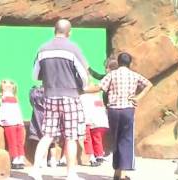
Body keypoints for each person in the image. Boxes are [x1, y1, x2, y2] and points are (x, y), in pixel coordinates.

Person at [30, 19, 89, 180]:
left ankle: (36, 170)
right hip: (70, 96)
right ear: (69, 32)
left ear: (53, 30)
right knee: (71, 136)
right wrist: (82, 87)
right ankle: (70, 174)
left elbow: (35, 76)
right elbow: (84, 74)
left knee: (47, 134)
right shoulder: (73, 48)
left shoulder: (43, 49)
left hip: (49, 96)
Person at [85, 52, 153, 180]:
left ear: (119, 62)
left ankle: (117, 171)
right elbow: (149, 84)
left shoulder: (112, 74)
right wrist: (139, 97)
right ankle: (122, 174)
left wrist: (82, 90)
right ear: (129, 63)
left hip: (113, 111)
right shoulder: (134, 75)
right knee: (126, 140)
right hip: (128, 110)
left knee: (116, 139)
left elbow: (99, 87)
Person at [0, 79, 25, 170]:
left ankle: (16, 159)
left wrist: (0, 121)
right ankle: (20, 158)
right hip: (17, 122)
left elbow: (2, 110)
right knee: (19, 141)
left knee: (12, 141)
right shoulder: (14, 98)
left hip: (9, 123)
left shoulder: (3, 98)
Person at [28, 86, 57, 167]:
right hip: (52, 123)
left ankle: (44, 160)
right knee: (52, 144)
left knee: (44, 142)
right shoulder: (51, 99)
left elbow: (31, 99)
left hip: (41, 124)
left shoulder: (36, 103)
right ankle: (53, 160)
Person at [80, 88, 109, 167]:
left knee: (87, 139)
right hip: (101, 121)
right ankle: (99, 155)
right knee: (97, 139)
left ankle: (91, 157)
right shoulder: (97, 96)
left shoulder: (82, 97)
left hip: (88, 120)